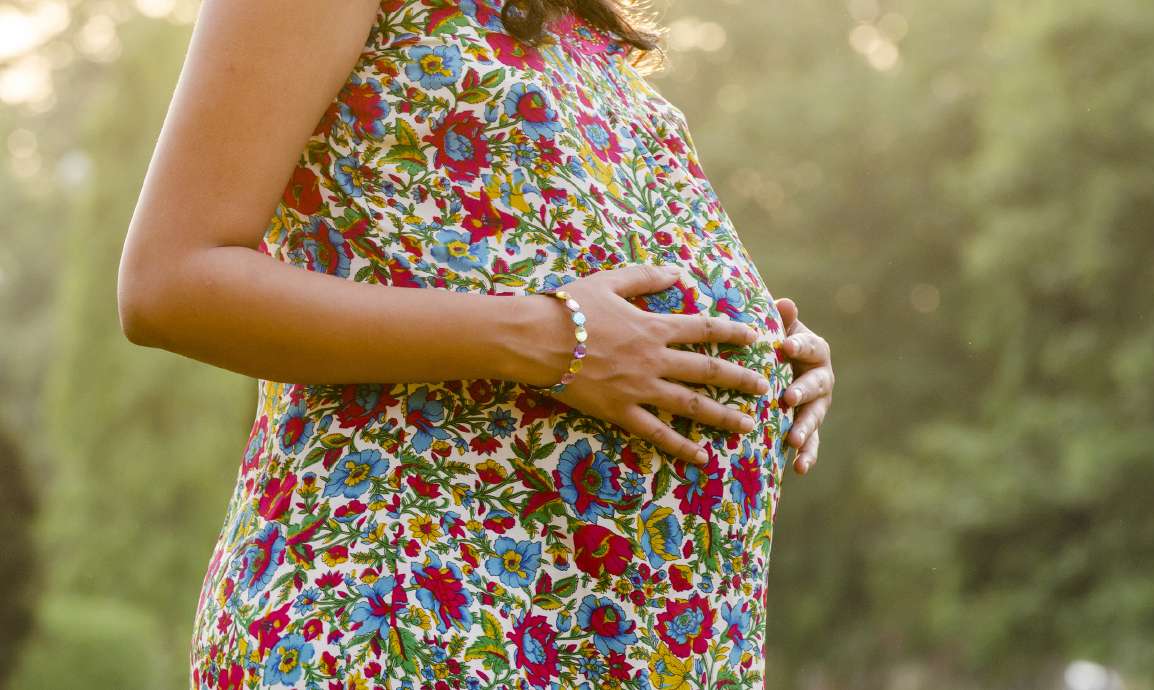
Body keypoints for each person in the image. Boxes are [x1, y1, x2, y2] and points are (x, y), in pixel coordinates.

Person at [117, 0, 835, 687]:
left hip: (629, 633)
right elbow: (170, 282)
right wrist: (554, 337)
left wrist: (765, 351)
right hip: (413, 617)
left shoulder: (576, 20)